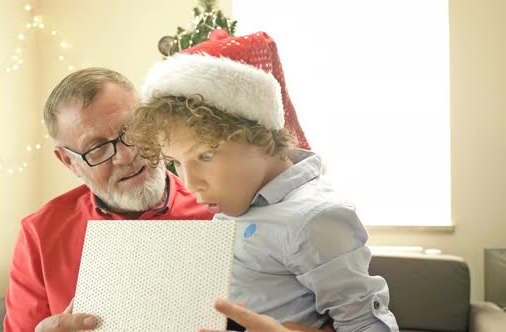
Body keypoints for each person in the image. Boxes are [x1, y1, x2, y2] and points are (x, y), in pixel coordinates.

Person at [125, 31, 400, 332]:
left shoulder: (315, 218)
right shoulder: (236, 199)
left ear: (263, 136)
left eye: (205, 156)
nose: (190, 184)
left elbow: (369, 325)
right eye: (176, 162)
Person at [3, 68, 213, 332]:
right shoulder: (39, 234)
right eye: (98, 147)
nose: (126, 155)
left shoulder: (219, 211)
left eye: (134, 129)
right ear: (70, 162)